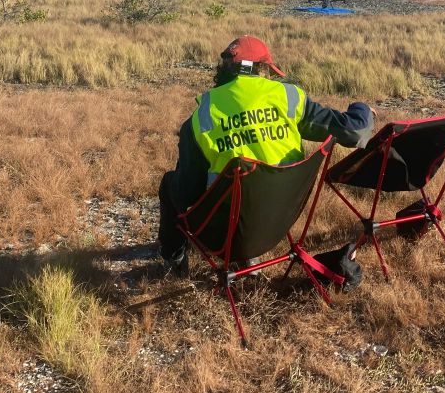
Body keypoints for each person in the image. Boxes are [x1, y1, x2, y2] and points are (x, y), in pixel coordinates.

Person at [157, 35, 375, 276]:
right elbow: (355, 132)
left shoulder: (202, 117)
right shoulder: (288, 98)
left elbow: (188, 192)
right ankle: (249, 257)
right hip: (282, 219)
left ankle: (174, 259)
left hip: (226, 232)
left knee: (170, 184)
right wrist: (362, 109)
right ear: (261, 70)